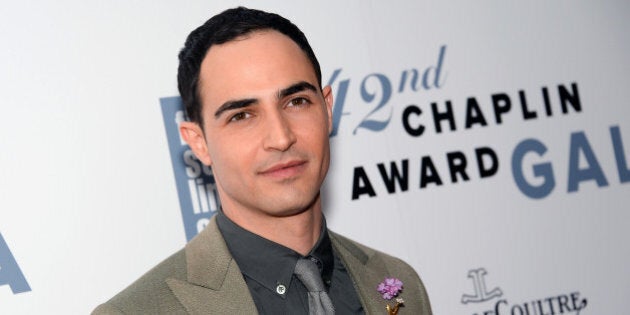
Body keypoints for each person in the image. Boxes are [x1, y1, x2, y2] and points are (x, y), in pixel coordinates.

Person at [93, 7, 432, 315]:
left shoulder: (398, 281)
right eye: (242, 116)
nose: (281, 137)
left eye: (297, 101)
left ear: (327, 109)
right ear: (199, 142)